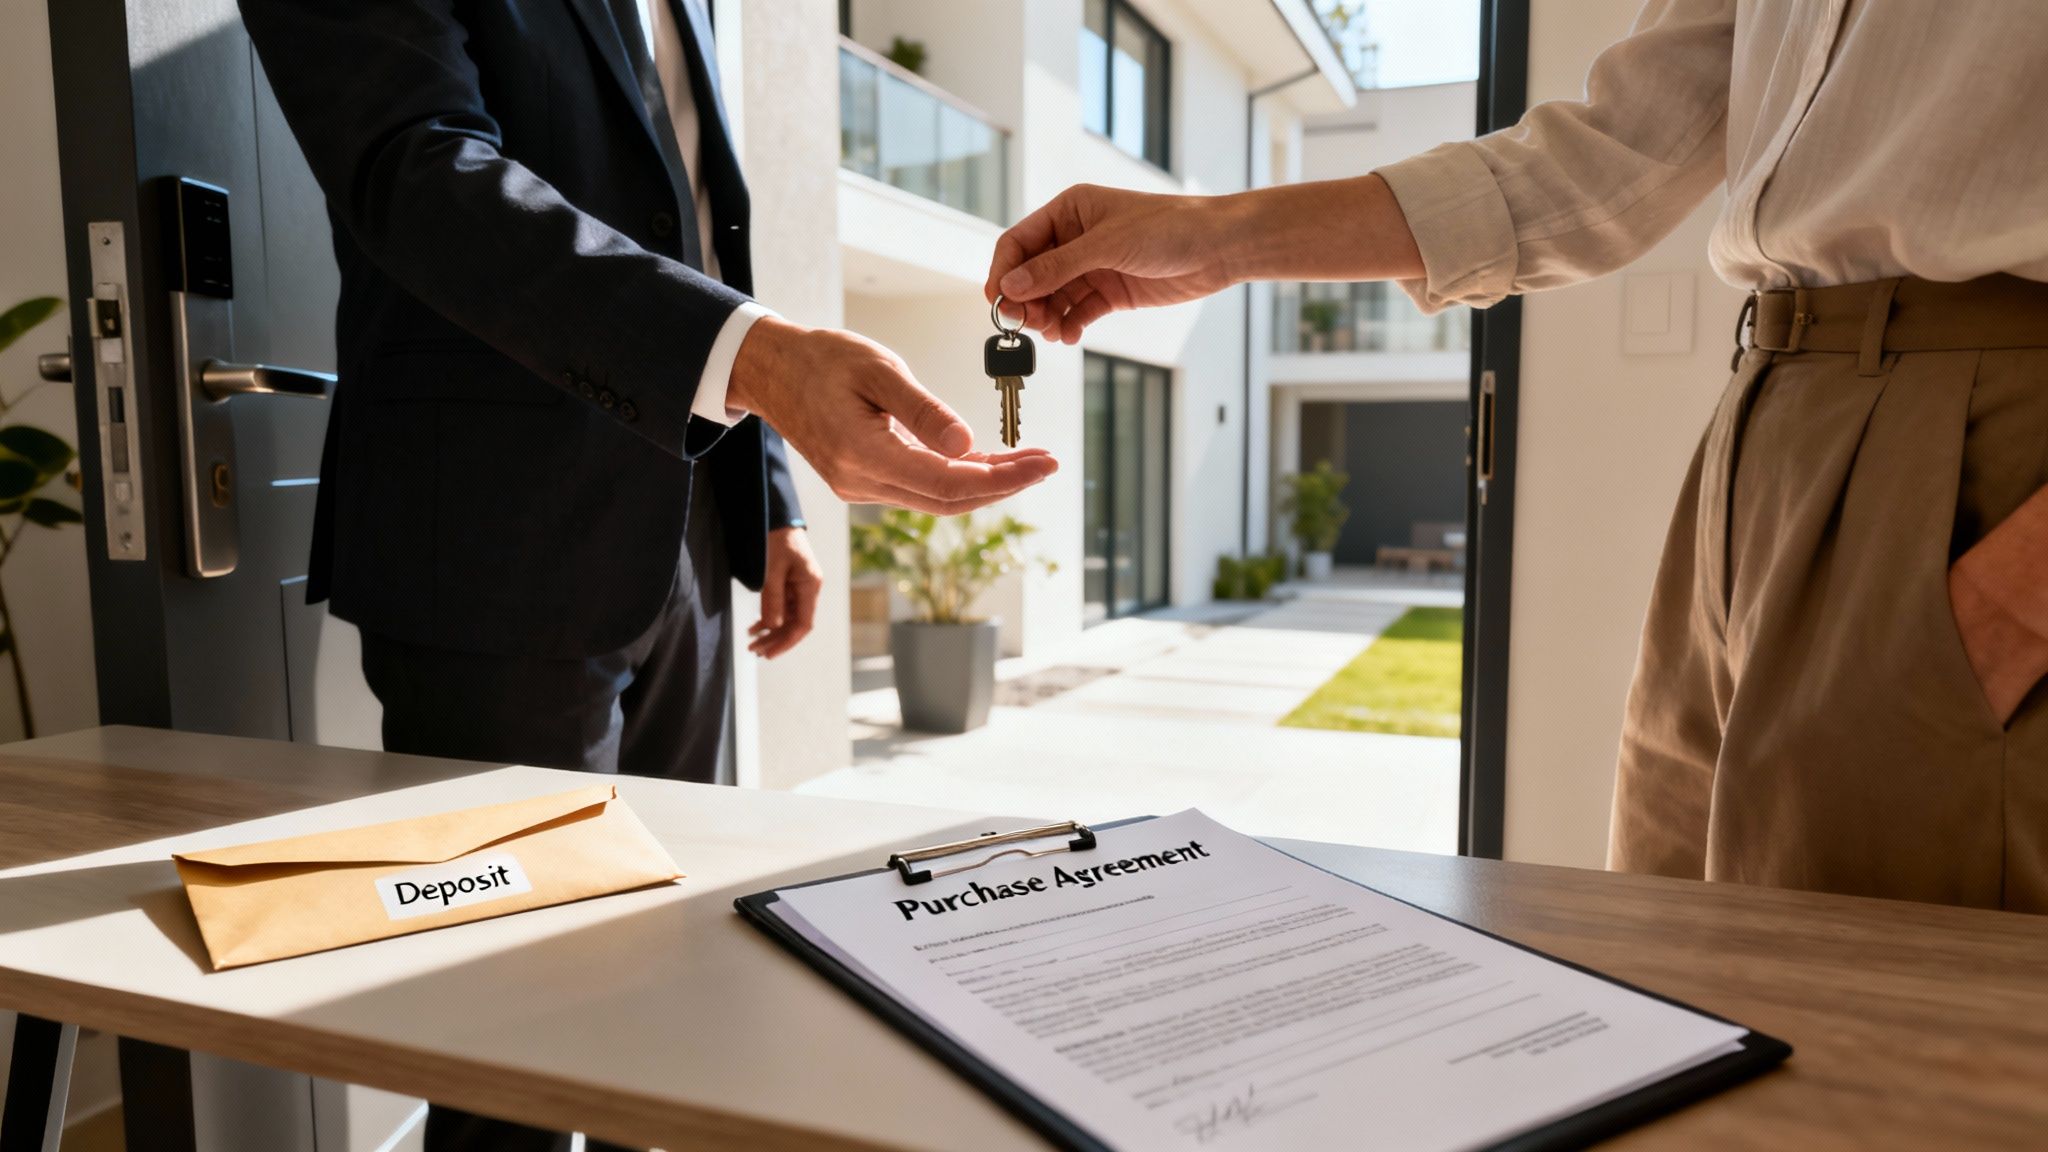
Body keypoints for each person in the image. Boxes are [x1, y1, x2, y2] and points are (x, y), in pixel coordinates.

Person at [987, 0, 2047, 913]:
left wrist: (2012, 601)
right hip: (1763, 432)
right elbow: (1604, 161)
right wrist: (1215, 237)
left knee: (1870, 1027)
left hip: (1986, 446)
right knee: (1675, 956)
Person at [239, 0, 1054, 1147]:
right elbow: (414, 173)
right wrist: (765, 362)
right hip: (495, 546)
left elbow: (702, 232)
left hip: (688, 536)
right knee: (511, 1033)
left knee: (670, 984)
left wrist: (763, 496)